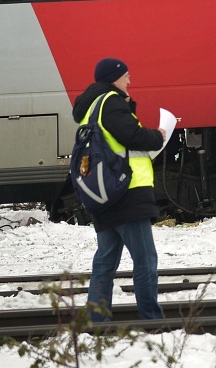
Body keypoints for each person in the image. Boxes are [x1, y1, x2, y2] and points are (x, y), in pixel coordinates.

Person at [72, 58, 167, 321]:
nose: (130, 81)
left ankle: (97, 321)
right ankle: (152, 319)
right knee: (145, 260)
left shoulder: (92, 106)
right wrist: (158, 136)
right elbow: (132, 136)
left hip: (106, 195)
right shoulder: (111, 102)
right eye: (126, 76)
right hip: (127, 193)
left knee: (105, 262)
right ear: (114, 78)